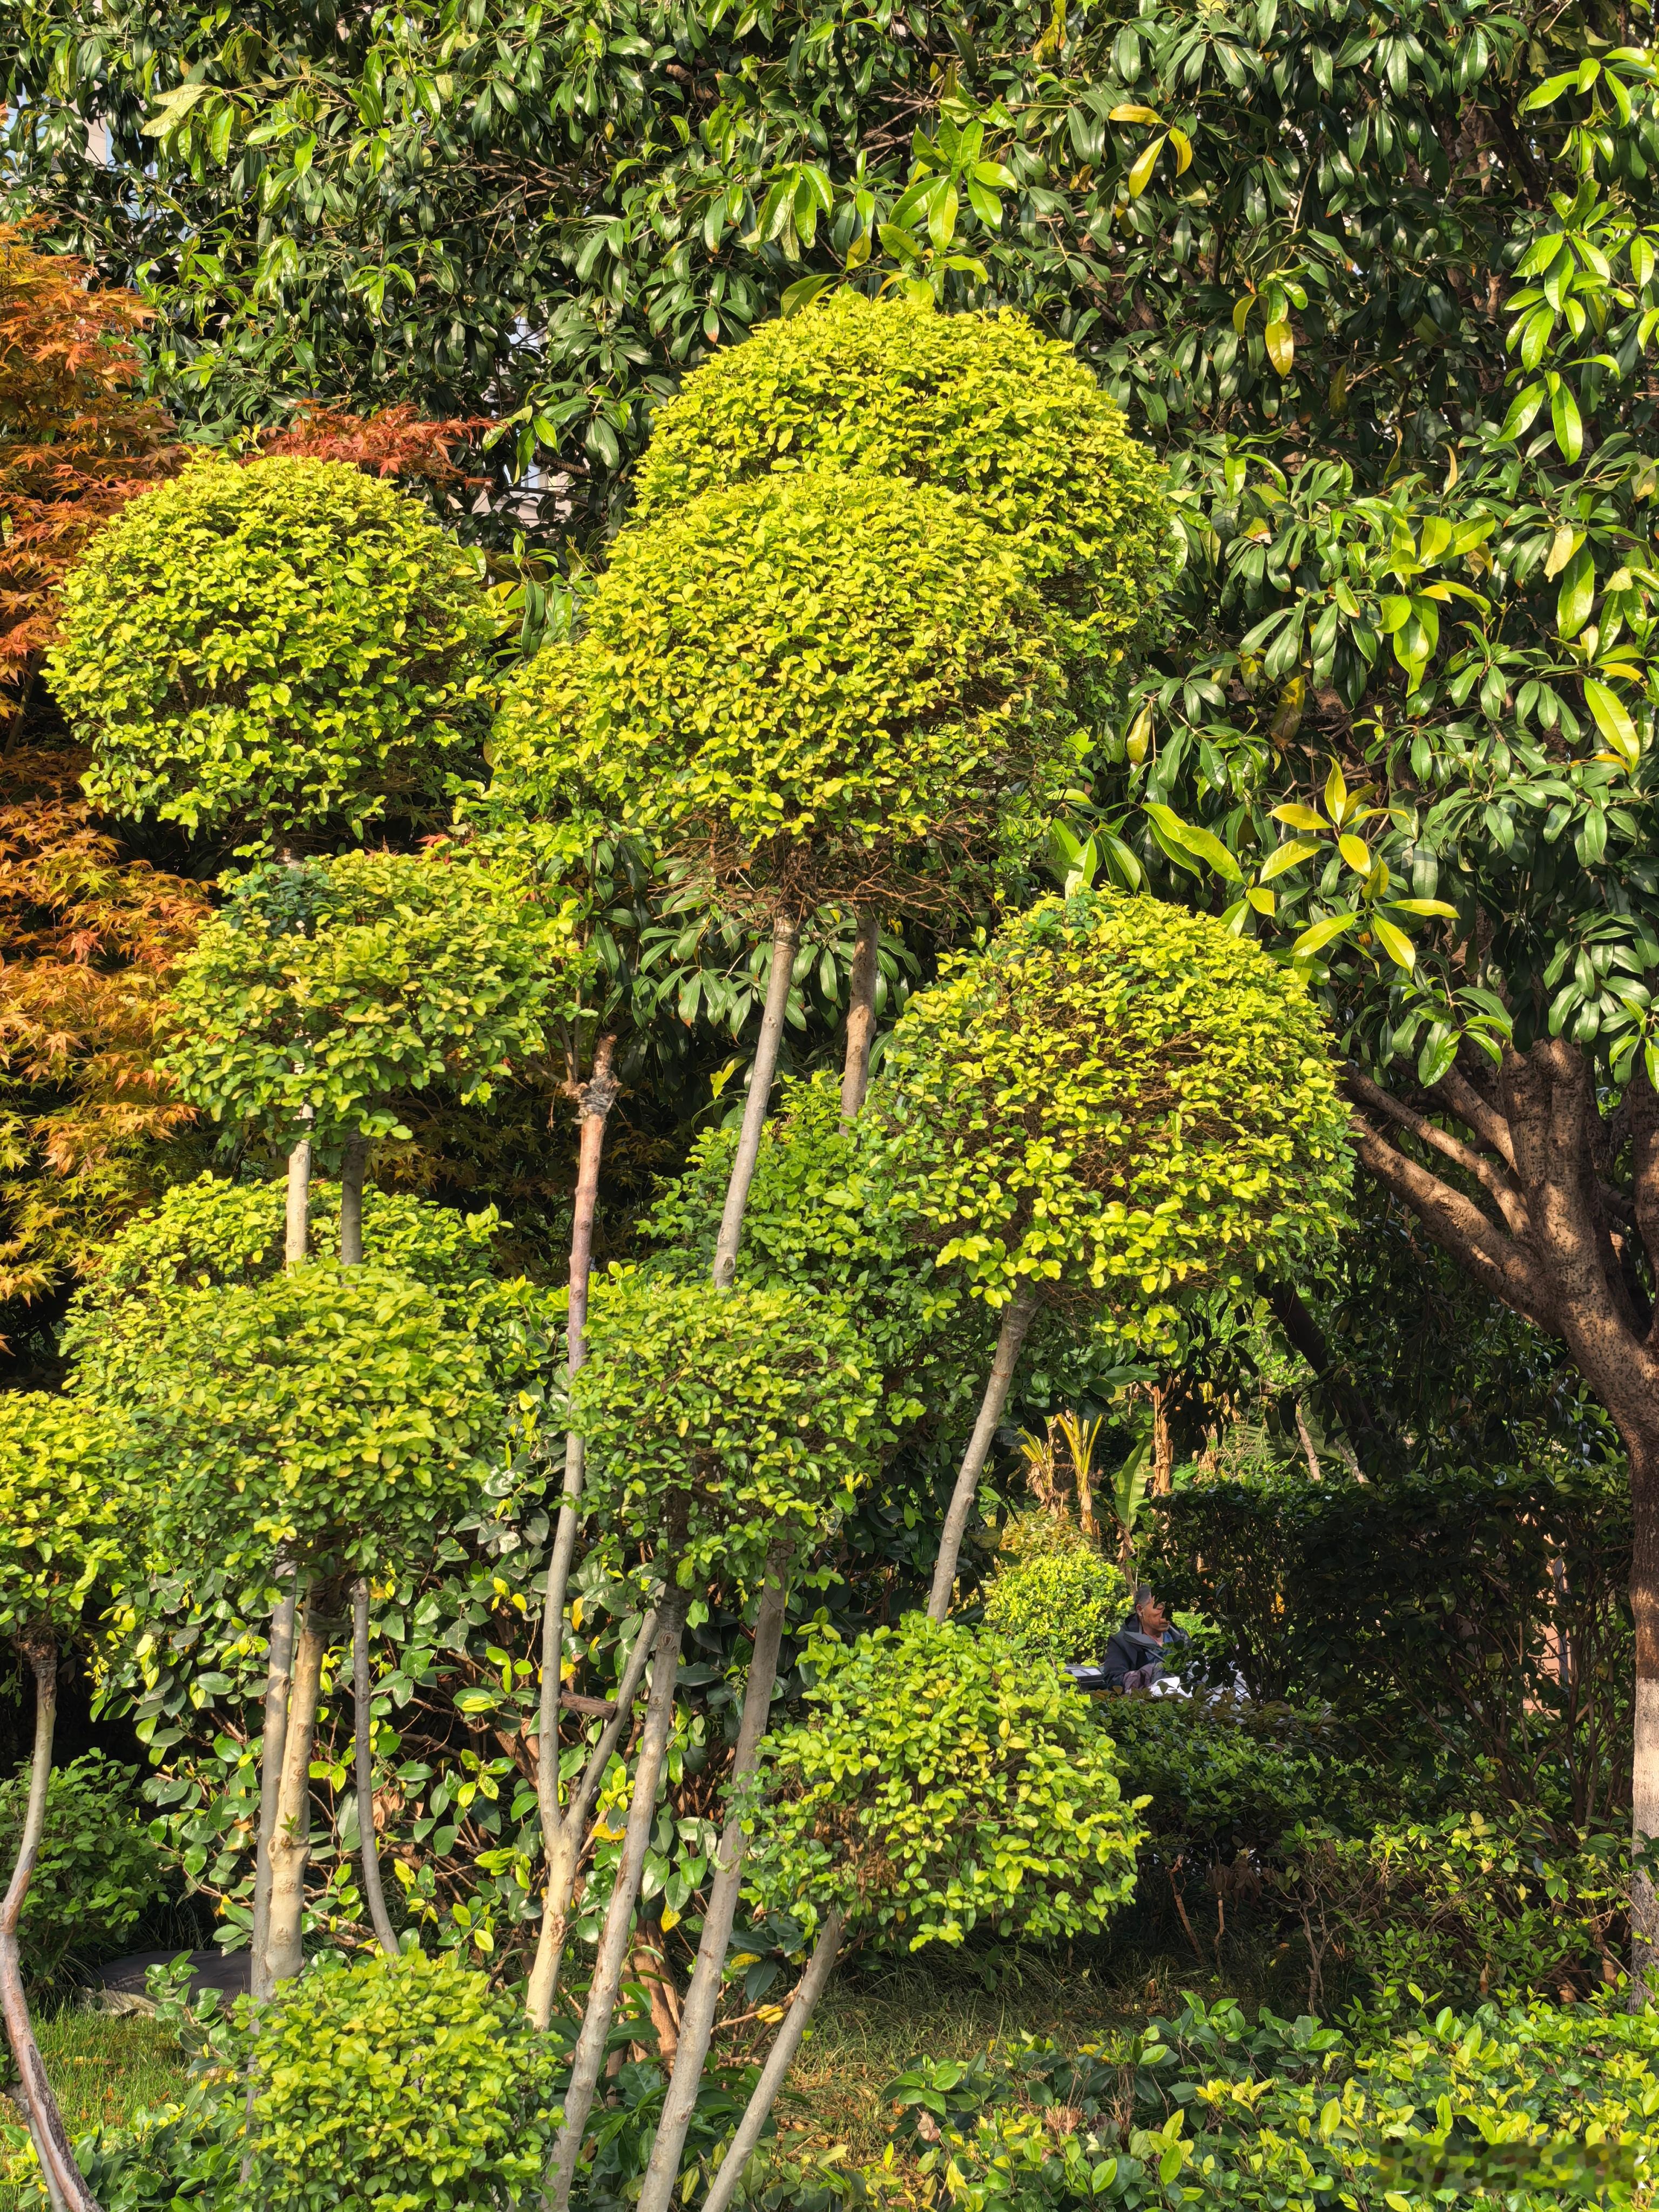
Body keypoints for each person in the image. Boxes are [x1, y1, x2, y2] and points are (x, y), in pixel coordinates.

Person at [1100, 1585, 1190, 1693]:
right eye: (1159, 1608)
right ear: (1140, 1610)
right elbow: (1114, 1680)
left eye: (1169, 1607)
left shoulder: (1181, 1637)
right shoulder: (1122, 1642)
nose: (1166, 1614)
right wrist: (1149, 1673)